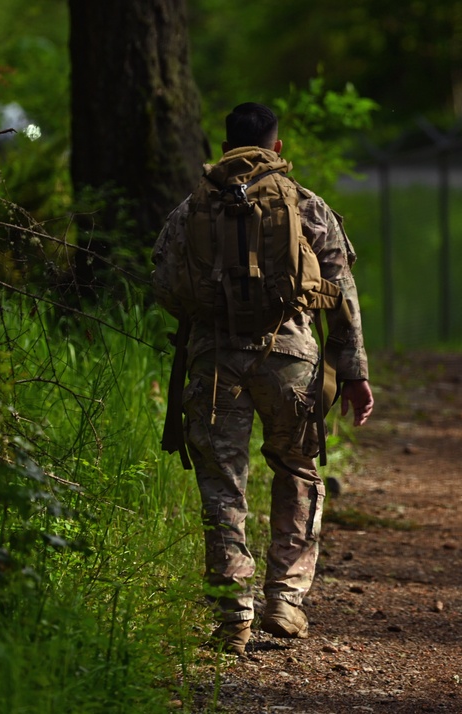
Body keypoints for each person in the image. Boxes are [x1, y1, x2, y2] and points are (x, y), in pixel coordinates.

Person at [151, 102, 374, 656]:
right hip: (290, 359)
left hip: (215, 362)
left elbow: (165, 286)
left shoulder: (192, 207)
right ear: (277, 147)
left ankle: (233, 614)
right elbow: (342, 295)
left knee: (222, 485)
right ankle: (285, 601)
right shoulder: (305, 204)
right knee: (297, 469)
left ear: (224, 145)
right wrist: (353, 374)